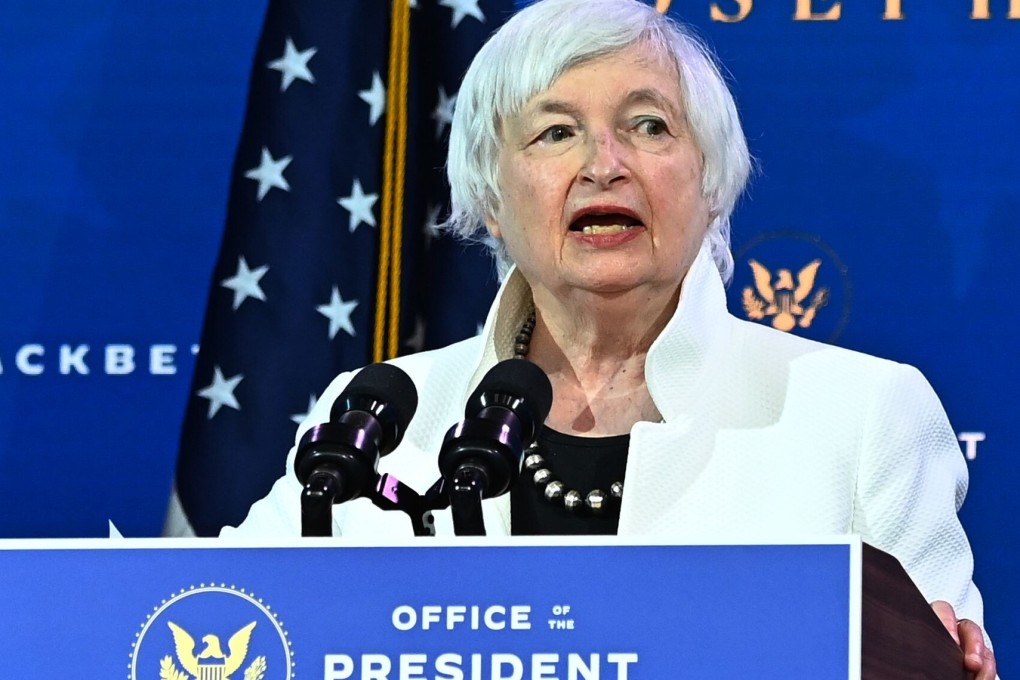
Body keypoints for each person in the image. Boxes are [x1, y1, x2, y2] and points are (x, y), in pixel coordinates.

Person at [225, 0, 996, 674]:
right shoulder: (380, 419)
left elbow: (928, 660)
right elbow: (210, 613)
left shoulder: (860, 415)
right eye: (555, 133)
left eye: (648, 125)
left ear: (711, 183)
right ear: (492, 200)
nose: (604, 164)